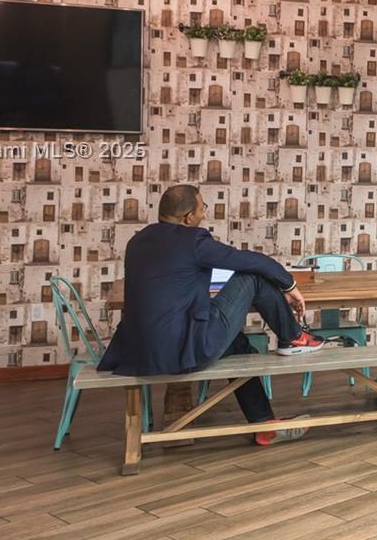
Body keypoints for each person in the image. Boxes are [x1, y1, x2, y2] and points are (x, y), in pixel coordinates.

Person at [99, 184, 325, 445]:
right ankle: (293, 337)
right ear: (188, 218)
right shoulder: (192, 240)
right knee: (252, 277)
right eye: (202, 208)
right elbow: (252, 261)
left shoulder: (138, 241)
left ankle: (265, 425)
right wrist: (290, 285)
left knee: (239, 346)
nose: (204, 214)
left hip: (139, 353)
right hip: (182, 351)